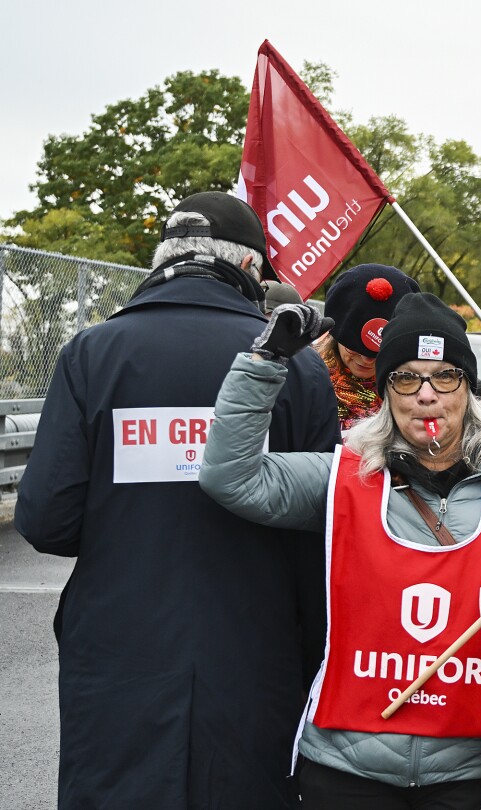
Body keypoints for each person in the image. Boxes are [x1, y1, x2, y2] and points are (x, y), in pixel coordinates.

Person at [198, 292, 481, 807]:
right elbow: (230, 478)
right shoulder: (342, 477)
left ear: (470, 389)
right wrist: (265, 362)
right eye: (406, 378)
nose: (426, 395)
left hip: (474, 769)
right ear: (386, 392)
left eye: (444, 377)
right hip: (347, 767)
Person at [15, 192, 339, 809]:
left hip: (119, 649)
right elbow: (322, 523)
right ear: (250, 269)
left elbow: (46, 519)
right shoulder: (294, 366)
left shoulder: (92, 353)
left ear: (161, 261)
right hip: (257, 649)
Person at [314, 264, 422, 433]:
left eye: (379, 354)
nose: (367, 360)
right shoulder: (309, 384)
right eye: (354, 349)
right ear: (336, 339)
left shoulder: (421, 394)